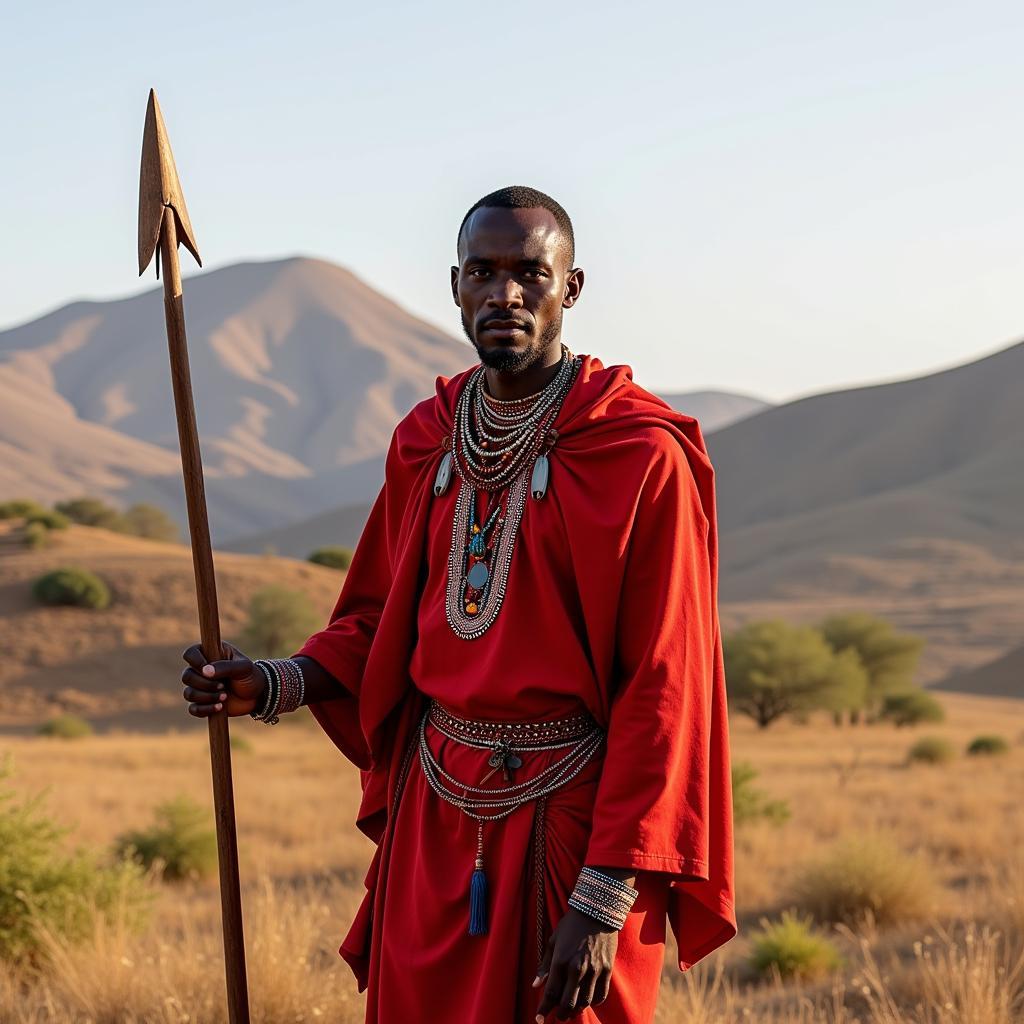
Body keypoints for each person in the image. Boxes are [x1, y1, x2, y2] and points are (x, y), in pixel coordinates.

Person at [181, 186, 736, 1023]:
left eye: (530, 273)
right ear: (455, 285)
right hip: (433, 815)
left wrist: (606, 892)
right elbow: (378, 621)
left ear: (570, 288)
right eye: (484, 272)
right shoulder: (426, 436)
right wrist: (273, 680)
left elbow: (666, 686)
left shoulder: (639, 454)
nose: (504, 294)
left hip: (569, 825)